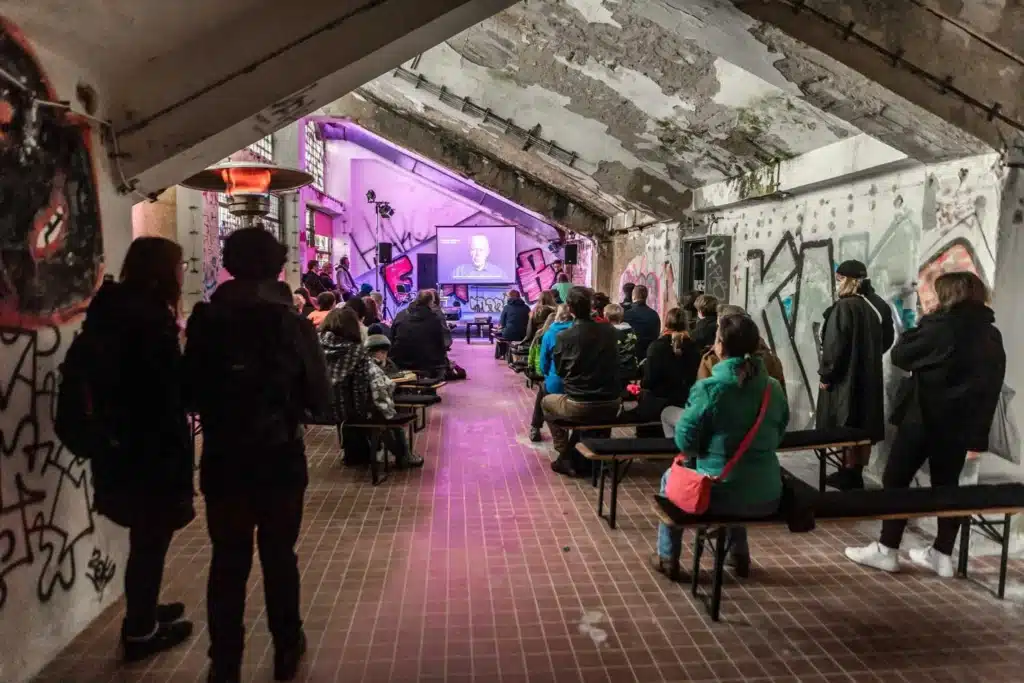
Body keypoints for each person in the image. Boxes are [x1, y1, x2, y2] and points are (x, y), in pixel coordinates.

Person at [183, 227, 330, 683]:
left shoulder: (206, 320)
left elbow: (188, 392)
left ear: (228, 264)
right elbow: (322, 399)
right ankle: (286, 646)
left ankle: (225, 662)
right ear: (277, 267)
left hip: (224, 457)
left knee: (227, 562)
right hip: (279, 458)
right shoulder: (292, 323)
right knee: (279, 556)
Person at [78, 237, 194, 661]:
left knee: (146, 539)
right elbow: (165, 391)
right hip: (148, 452)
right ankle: (141, 631)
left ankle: (144, 611)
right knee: (150, 541)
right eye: (179, 265)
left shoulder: (113, 312)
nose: (183, 272)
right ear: (162, 271)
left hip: (121, 447)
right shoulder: (148, 322)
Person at [844, 271, 1005, 577]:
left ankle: (886, 550)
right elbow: (991, 387)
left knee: (896, 480)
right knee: (947, 487)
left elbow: (901, 356)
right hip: (960, 427)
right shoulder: (990, 335)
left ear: (949, 296)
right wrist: (977, 434)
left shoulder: (940, 328)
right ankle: (942, 555)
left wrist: (924, 321)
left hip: (923, 420)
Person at [651, 314, 790, 579]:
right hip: (768, 494)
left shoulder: (710, 388)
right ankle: (737, 556)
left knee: (673, 478)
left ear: (721, 346)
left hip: (716, 496)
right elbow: (780, 431)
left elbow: (685, 441)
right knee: (736, 476)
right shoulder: (772, 387)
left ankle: (667, 557)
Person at [817, 260, 888, 491]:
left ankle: (846, 472)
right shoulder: (877, 306)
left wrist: (826, 376)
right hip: (869, 375)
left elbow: (834, 347)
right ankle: (856, 472)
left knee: (845, 424)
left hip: (845, 379)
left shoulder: (844, 308)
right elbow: (887, 339)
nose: (836, 284)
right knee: (863, 425)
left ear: (847, 280)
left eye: (839, 279)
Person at [543, 287, 622, 477]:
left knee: (546, 402)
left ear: (570, 309)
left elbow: (561, 371)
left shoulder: (564, 336)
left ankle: (564, 453)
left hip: (579, 404)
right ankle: (580, 453)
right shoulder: (609, 331)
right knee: (591, 417)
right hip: (612, 402)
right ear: (592, 306)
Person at [633, 307, 701, 437]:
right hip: (685, 401)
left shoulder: (656, 346)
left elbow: (648, 381)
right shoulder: (694, 347)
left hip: (658, 405)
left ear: (666, 323)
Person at [365, 334, 425, 468]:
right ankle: (404, 456)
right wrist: (391, 412)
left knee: (391, 422)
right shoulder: (373, 368)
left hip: (362, 408)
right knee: (393, 424)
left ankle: (403, 455)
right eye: (382, 353)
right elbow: (381, 397)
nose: (385, 356)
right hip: (372, 410)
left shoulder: (365, 364)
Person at [696, 304, 786, 391]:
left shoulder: (711, 359)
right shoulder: (771, 360)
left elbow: (703, 396)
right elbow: (780, 397)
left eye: (719, 326)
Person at [533, 304, 573, 442]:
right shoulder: (582, 332)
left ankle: (537, 428)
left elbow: (543, 364)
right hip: (581, 383)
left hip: (557, 384)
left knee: (543, 391)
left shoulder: (549, 334)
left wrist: (547, 375)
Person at [391, 290, 450, 378]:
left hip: (400, 362)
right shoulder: (435, 319)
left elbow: (392, 338)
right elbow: (441, 345)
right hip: (428, 365)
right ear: (430, 303)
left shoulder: (400, 315)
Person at [526, 305, 557, 442]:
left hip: (543, 373)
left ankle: (535, 427)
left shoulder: (543, 334)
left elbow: (541, 362)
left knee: (543, 390)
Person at [623, 284, 661, 361]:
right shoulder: (654, 314)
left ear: (633, 296)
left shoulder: (627, 314)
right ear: (646, 296)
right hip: (650, 354)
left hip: (633, 356)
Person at [604, 303, 638, 385]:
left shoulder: (609, 333)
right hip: (631, 367)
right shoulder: (630, 330)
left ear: (606, 317)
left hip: (615, 370)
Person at [495, 289, 530, 359]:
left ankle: (502, 354)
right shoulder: (527, 307)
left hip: (509, 334)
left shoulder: (507, 307)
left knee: (498, 335)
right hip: (524, 334)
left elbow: (502, 324)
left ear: (510, 297)